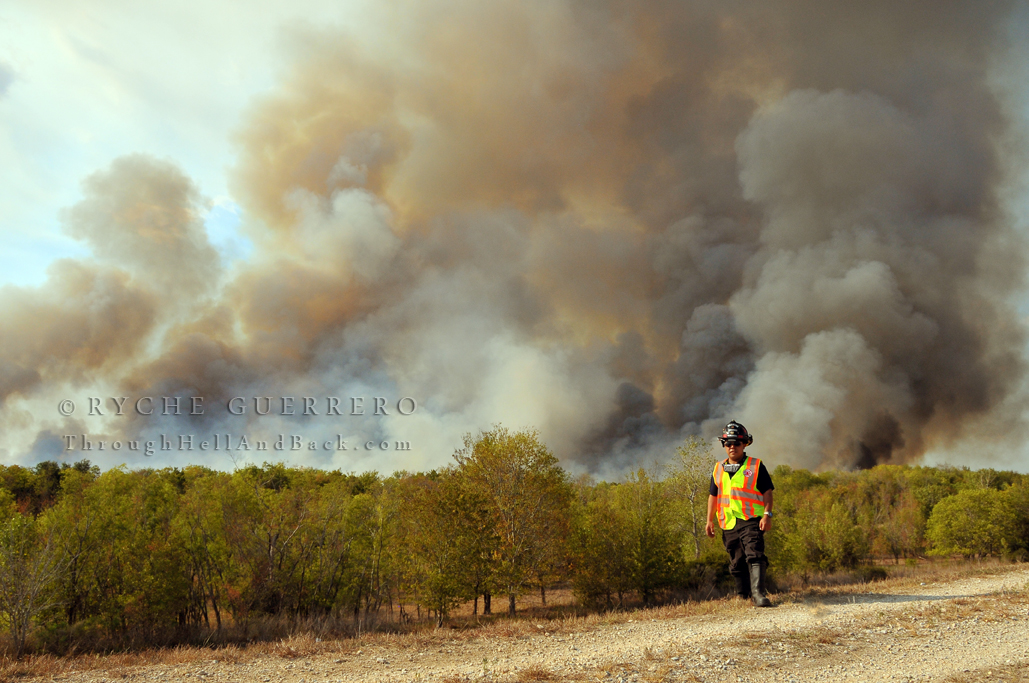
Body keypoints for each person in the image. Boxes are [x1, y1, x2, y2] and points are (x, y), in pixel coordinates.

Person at [705, 420, 774, 607]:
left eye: (736, 442)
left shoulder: (756, 466)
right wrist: (709, 521)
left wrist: (767, 515)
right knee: (736, 561)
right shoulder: (718, 468)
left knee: (755, 554)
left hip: (751, 519)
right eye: (728, 443)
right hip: (728, 522)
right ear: (724, 445)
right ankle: (743, 596)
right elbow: (713, 495)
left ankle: (759, 595)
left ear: (745, 444)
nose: (732, 446)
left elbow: (768, 492)